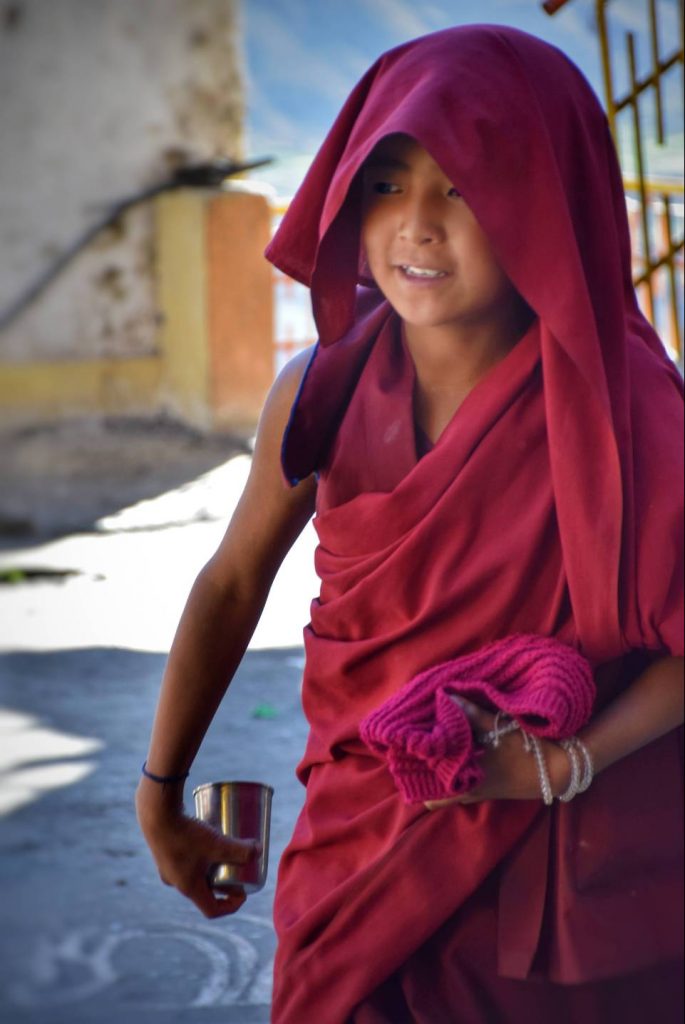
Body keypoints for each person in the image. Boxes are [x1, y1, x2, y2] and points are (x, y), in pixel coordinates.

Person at [136, 24, 684, 1024]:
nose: (415, 227)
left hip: (552, 887)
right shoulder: (323, 389)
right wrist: (158, 786)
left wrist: (567, 760)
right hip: (355, 849)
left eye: (464, 187)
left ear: (545, 199)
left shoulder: (629, 411)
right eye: (387, 183)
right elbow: (230, 580)